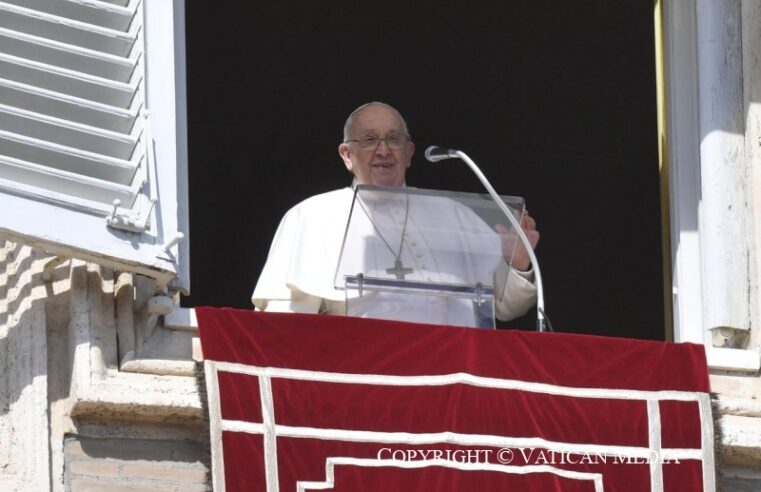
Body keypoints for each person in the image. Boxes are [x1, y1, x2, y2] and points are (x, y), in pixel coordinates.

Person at [252, 101, 539, 326]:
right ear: (346, 155)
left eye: (393, 139)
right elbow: (285, 323)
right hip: (359, 375)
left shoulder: (454, 216)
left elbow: (506, 307)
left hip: (449, 375)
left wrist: (517, 263)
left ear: (409, 151)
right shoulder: (311, 217)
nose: (383, 150)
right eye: (368, 140)